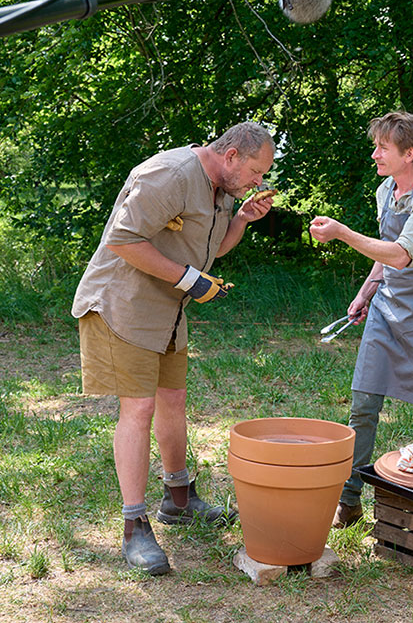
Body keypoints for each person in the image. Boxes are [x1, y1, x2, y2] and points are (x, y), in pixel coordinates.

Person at [71, 122, 276, 575]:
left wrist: (242, 219)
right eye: (256, 171)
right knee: (139, 409)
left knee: (173, 400)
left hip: (167, 311)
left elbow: (212, 250)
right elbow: (122, 240)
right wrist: (190, 281)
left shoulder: (222, 188)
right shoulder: (171, 174)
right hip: (122, 306)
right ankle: (134, 527)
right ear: (232, 155)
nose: (258, 181)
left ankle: (178, 499)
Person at [309, 111, 413, 529]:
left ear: (408, 153)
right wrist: (366, 292)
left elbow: (402, 253)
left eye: (383, 148)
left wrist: (342, 233)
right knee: (363, 404)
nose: (375, 154)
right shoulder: (385, 189)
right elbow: (385, 253)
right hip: (386, 308)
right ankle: (349, 501)